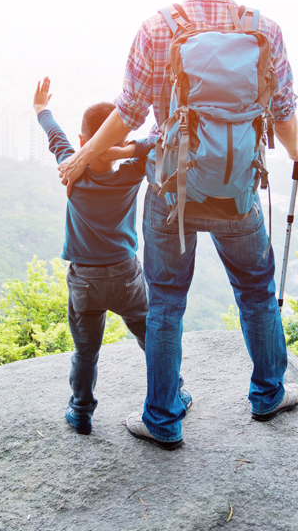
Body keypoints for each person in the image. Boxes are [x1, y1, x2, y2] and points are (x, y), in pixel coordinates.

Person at [57, 0, 298, 450]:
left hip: (173, 195)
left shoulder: (158, 27)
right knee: (257, 292)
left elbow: (128, 113)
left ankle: (163, 418)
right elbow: (284, 115)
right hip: (238, 194)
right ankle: (268, 393)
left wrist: (83, 157)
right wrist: (295, 150)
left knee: (167, 304)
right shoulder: (264, 30)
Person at [33, 77, 190, 435]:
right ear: (117, 140)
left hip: (84, 280)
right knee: (150, 338)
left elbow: (54, 133)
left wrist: (41, 107)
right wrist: (121, 149)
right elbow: (155, 143)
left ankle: (81, 412)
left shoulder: (71, 169)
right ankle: (175, 391)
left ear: (84, 142)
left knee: (85, 353)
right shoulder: (130, 175)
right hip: (125, 276)